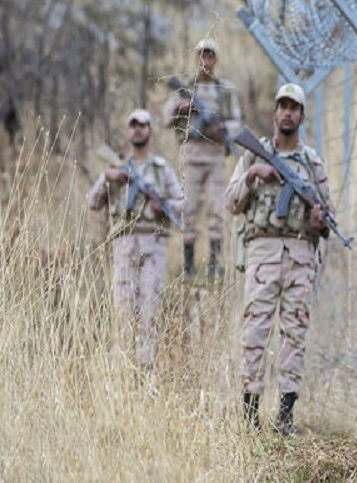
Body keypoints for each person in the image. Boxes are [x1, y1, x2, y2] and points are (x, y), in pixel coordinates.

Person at [225, 83, 334, 435]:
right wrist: (253, 175)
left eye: (294, 107)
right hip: (263, 252)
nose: (288, 112)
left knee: (295, 332)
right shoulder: (253, 156)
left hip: (301, 253)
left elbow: (329, 219)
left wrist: (320, 220)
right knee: (256, 331)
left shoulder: (311, 162)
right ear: (275, 112)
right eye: (282, 106)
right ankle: (250, 412)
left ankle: (286, 414)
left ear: (302, 116)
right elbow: (231, 204)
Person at [88, 109, 183, 375]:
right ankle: (123, 373)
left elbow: (182, 205)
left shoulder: (162, 170)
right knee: (123, 312)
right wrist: (107, 178)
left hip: (152, 244)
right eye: (134, 125)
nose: (138, 129)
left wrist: (162, 205)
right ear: (128, 131)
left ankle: (146, 372)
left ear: (151, 131)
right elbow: (93, 203)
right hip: (123, 244)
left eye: (143, 125)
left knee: (149, 312)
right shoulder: (117, 167)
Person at [163, 38, 242, 280]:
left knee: (217, 210)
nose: (205, 61)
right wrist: (182, 109)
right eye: (202, 56)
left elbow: (237, 122)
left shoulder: (225, 91)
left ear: (215, 59)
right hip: (192, 154)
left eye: (210, 56)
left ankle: (214, 266)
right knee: (189, 209)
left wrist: (223, 129)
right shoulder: (186, 89)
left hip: (216, 155)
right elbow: (166, 117)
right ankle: (188, 266)